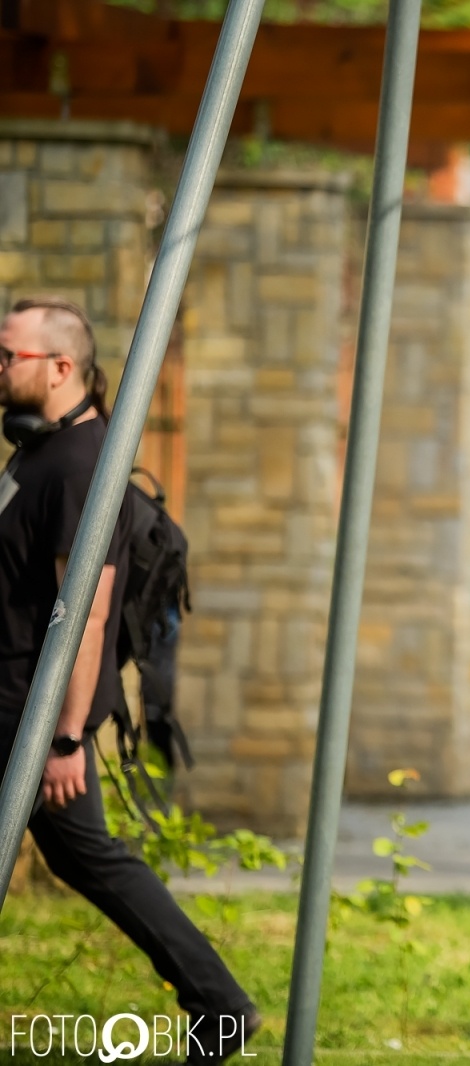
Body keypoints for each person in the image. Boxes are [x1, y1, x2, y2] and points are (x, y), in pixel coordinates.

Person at [0, 298, 258, 1062]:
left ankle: (220, 1005)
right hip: (17, 705)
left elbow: (86, 611)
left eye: (8, 356)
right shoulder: (40, 450)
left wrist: (66, 738)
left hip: (23, 713)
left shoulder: (82, 465)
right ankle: (219, 1005)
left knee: (93, 857)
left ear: (60, 367)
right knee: (89, 857)